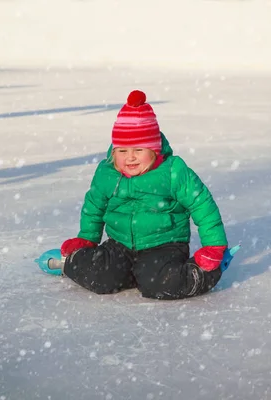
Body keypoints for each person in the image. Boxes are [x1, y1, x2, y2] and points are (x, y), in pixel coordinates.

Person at [50, 90, 228, 300]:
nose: (130, 158)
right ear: (113, 152)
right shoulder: (107, 173)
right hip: (120, 244)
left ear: (154, 150)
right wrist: (87, 239)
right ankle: (74, 262)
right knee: (102, 278)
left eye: (139, 150)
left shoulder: (173, 171)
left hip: (164, 244)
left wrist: (214, 246)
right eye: (122, 151)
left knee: (159, 284)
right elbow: (94, 207)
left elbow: (202, 205)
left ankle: (203, 273)